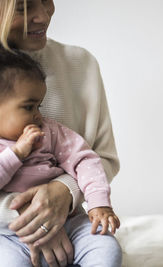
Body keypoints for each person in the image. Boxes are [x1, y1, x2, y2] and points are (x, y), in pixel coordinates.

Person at [0, 0, 121, 266]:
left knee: (106, 250)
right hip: (6, 236)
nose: (43, 16)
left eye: (46, 0)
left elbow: (99, 158)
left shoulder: (82, 64)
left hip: (72, 222)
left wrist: (64, 192)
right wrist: (31, 219)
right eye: (22, 7)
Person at [0, 50, 120, 234]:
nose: (38, 115)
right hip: (10, 234)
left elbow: (86, 161)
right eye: (29, 107)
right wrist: (16, 153)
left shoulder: (49, 131)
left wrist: (98, 203)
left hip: (69, 219)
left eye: (38, 106)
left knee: (106, 250)